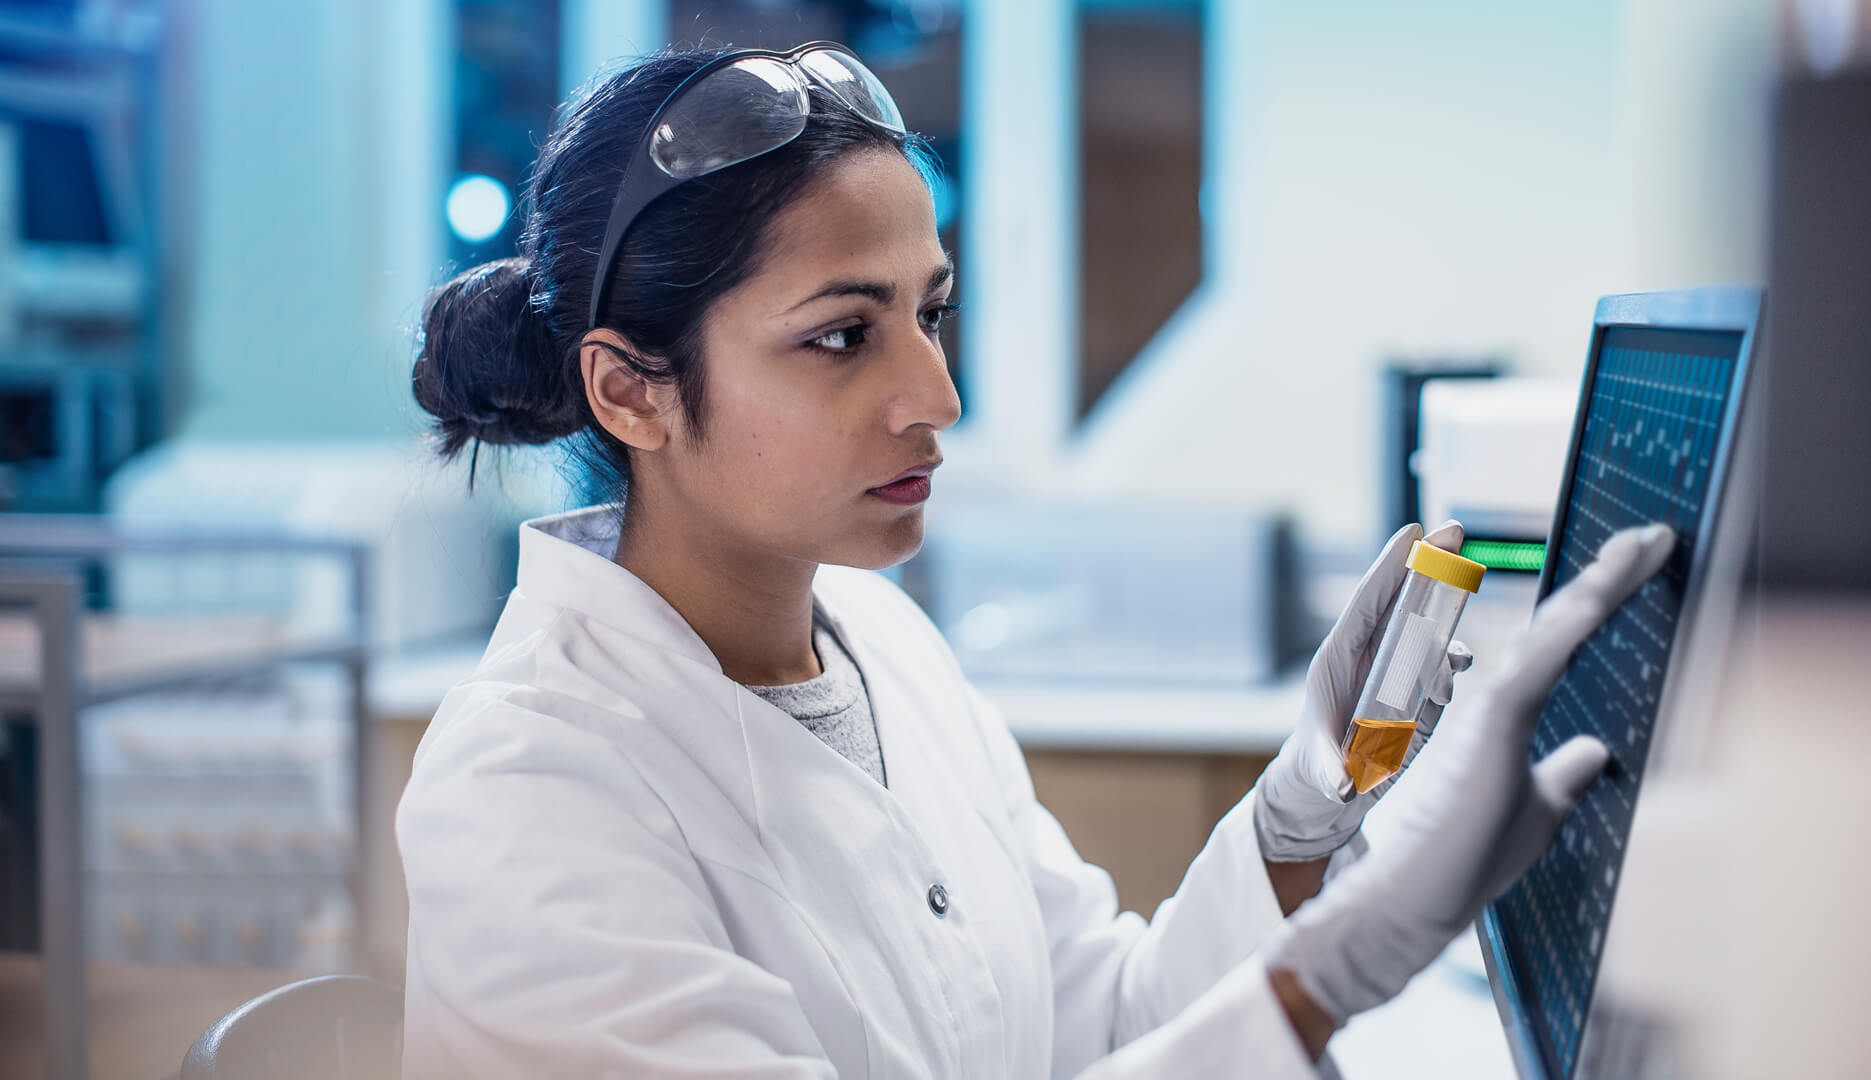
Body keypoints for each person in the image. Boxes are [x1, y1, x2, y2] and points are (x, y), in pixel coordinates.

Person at [398, 42, 1676, 1078]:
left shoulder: (883, 643)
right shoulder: (531, 786)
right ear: (629, 391)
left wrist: (1309, 810)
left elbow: (1107, 1030)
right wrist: (1320, 983)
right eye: (843, 337)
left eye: (931, 311)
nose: (936, 395)